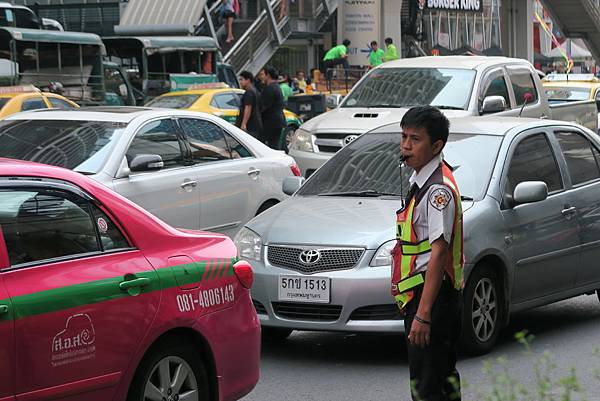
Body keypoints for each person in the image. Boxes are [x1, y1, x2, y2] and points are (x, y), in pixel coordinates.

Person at [391, 106, 464, 401]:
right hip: (424, 295)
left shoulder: (438, 191)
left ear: (437, 146)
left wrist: (422, 316)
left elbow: (438, 253)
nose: (406, 146)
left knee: (428, 387)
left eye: (415, 139)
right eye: (404, 137)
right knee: (439, 383)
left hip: (432, 298)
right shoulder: (421, 180)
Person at [260, 66, 286, 149]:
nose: (261, 77)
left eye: (262, 74)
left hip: (270, 122)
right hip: (278, 121)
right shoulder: (276, 86)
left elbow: (263, 106)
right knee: (274, 145)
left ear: (268, 75)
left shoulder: (270, 88)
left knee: (260, 145)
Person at [236, 70, 262, 139]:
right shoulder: (255, 91)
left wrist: (244, 124)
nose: (240, 82)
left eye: (242, 79)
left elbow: (248, 108)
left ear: (248, 80)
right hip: (255, 124)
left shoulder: (249, 93)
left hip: (250, 125)